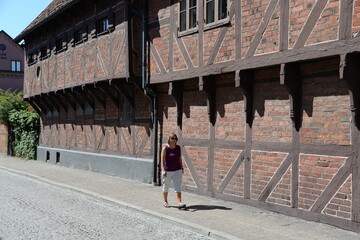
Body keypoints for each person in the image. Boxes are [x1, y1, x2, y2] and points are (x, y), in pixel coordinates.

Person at [161, 133, 186, 209]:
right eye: (172, 138)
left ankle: (179, 203)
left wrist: (181, 167)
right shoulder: (165, 148)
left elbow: (179, 158)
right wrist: (163, 170)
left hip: (177, 170)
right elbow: (162, 160)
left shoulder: (178, 148)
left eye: (175, 138)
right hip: (168, 170)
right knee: (166, 186)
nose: (174, 140)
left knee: (177, 186)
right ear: (169, 139)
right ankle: (165, 201)